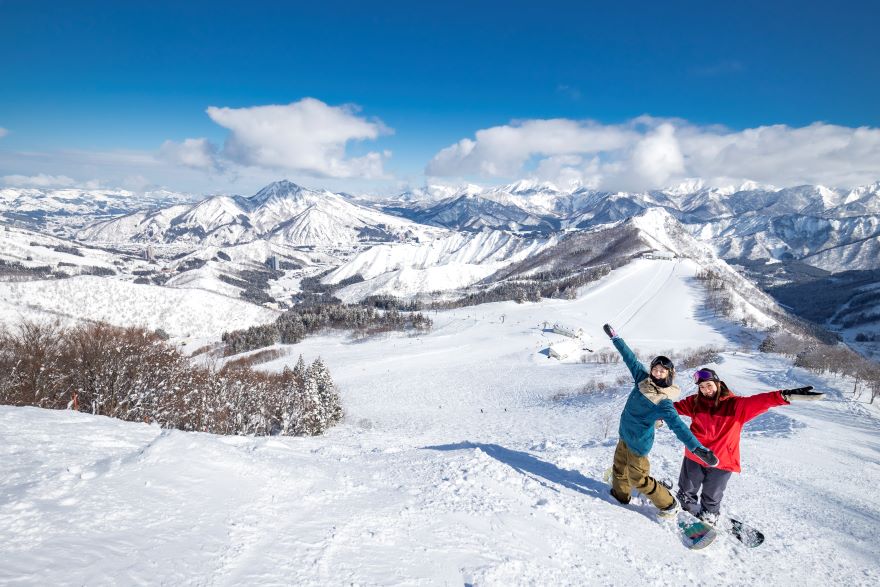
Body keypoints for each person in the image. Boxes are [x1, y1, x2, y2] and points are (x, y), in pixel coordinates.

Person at [674, 367, 824, 525]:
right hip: (695, 455)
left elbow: (760, 401)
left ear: (718, 383)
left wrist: (784, 395)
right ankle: (686, 511)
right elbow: (672, 409)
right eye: (702, 387)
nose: (706, 390)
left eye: (709, 385)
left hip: (722, 460)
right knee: (686, 491)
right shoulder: (695, 402)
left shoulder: (735, 405)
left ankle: (709, 517)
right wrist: (659, 414)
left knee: (712, 495)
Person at [602, 324, 719, 518]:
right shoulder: (642, 379)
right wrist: (616, 338)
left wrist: (698, 449)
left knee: (639, 480)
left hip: (638, 445)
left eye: (662, 371)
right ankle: (620, 496)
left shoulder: (663, 402)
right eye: (655, 369)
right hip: (624, 436)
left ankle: (669, 504)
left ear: (669, 374)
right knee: (619, 468)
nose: (657, 373)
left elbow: (679, 426)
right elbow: (629, 357)